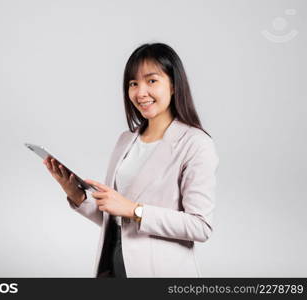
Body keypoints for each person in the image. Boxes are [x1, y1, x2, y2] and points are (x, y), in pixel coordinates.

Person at [43, 43, 219, 278]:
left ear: (174, 85)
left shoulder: (196, 143)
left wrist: (136, 210)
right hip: (112, 264)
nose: (140, 92)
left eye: (152, 81)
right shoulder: (126, 140)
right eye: (133, 83)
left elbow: (200, 226)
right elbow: (118, 219)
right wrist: (78, 196)